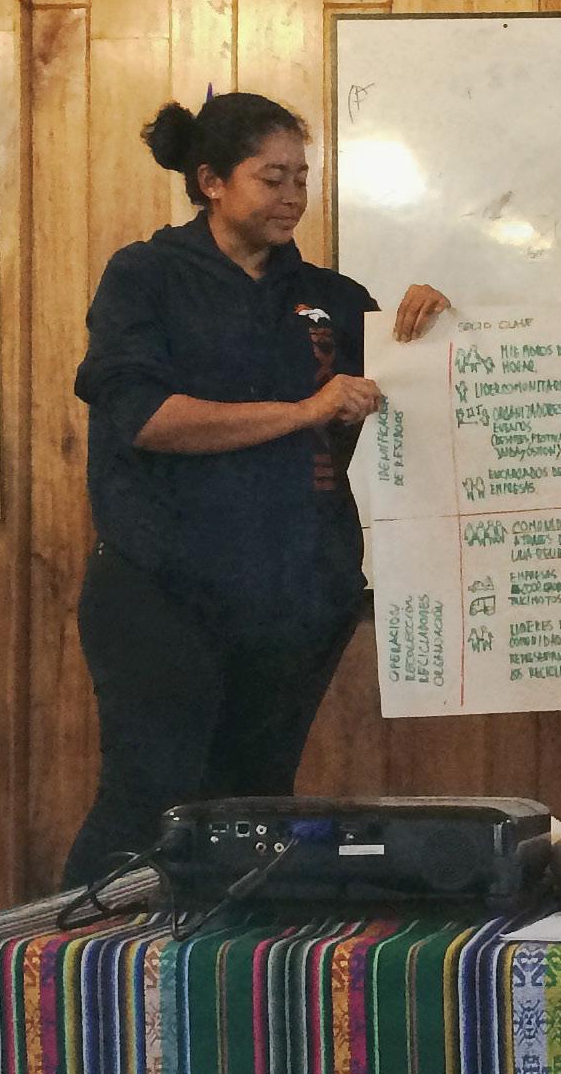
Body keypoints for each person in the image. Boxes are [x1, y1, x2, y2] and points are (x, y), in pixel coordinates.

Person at [63, 93, 450, 888]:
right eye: (271, 178)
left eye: (301, 179)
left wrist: (432, 323)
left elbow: (409, 393)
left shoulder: (330, 296)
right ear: (211, 181)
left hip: (295, 597)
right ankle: (73, 959)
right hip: (162, 589)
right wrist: (305, 410)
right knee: (149, 800)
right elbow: (146, 419)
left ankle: (218, 962)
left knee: (253, 808)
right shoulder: (146, 276)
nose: (291, 197)